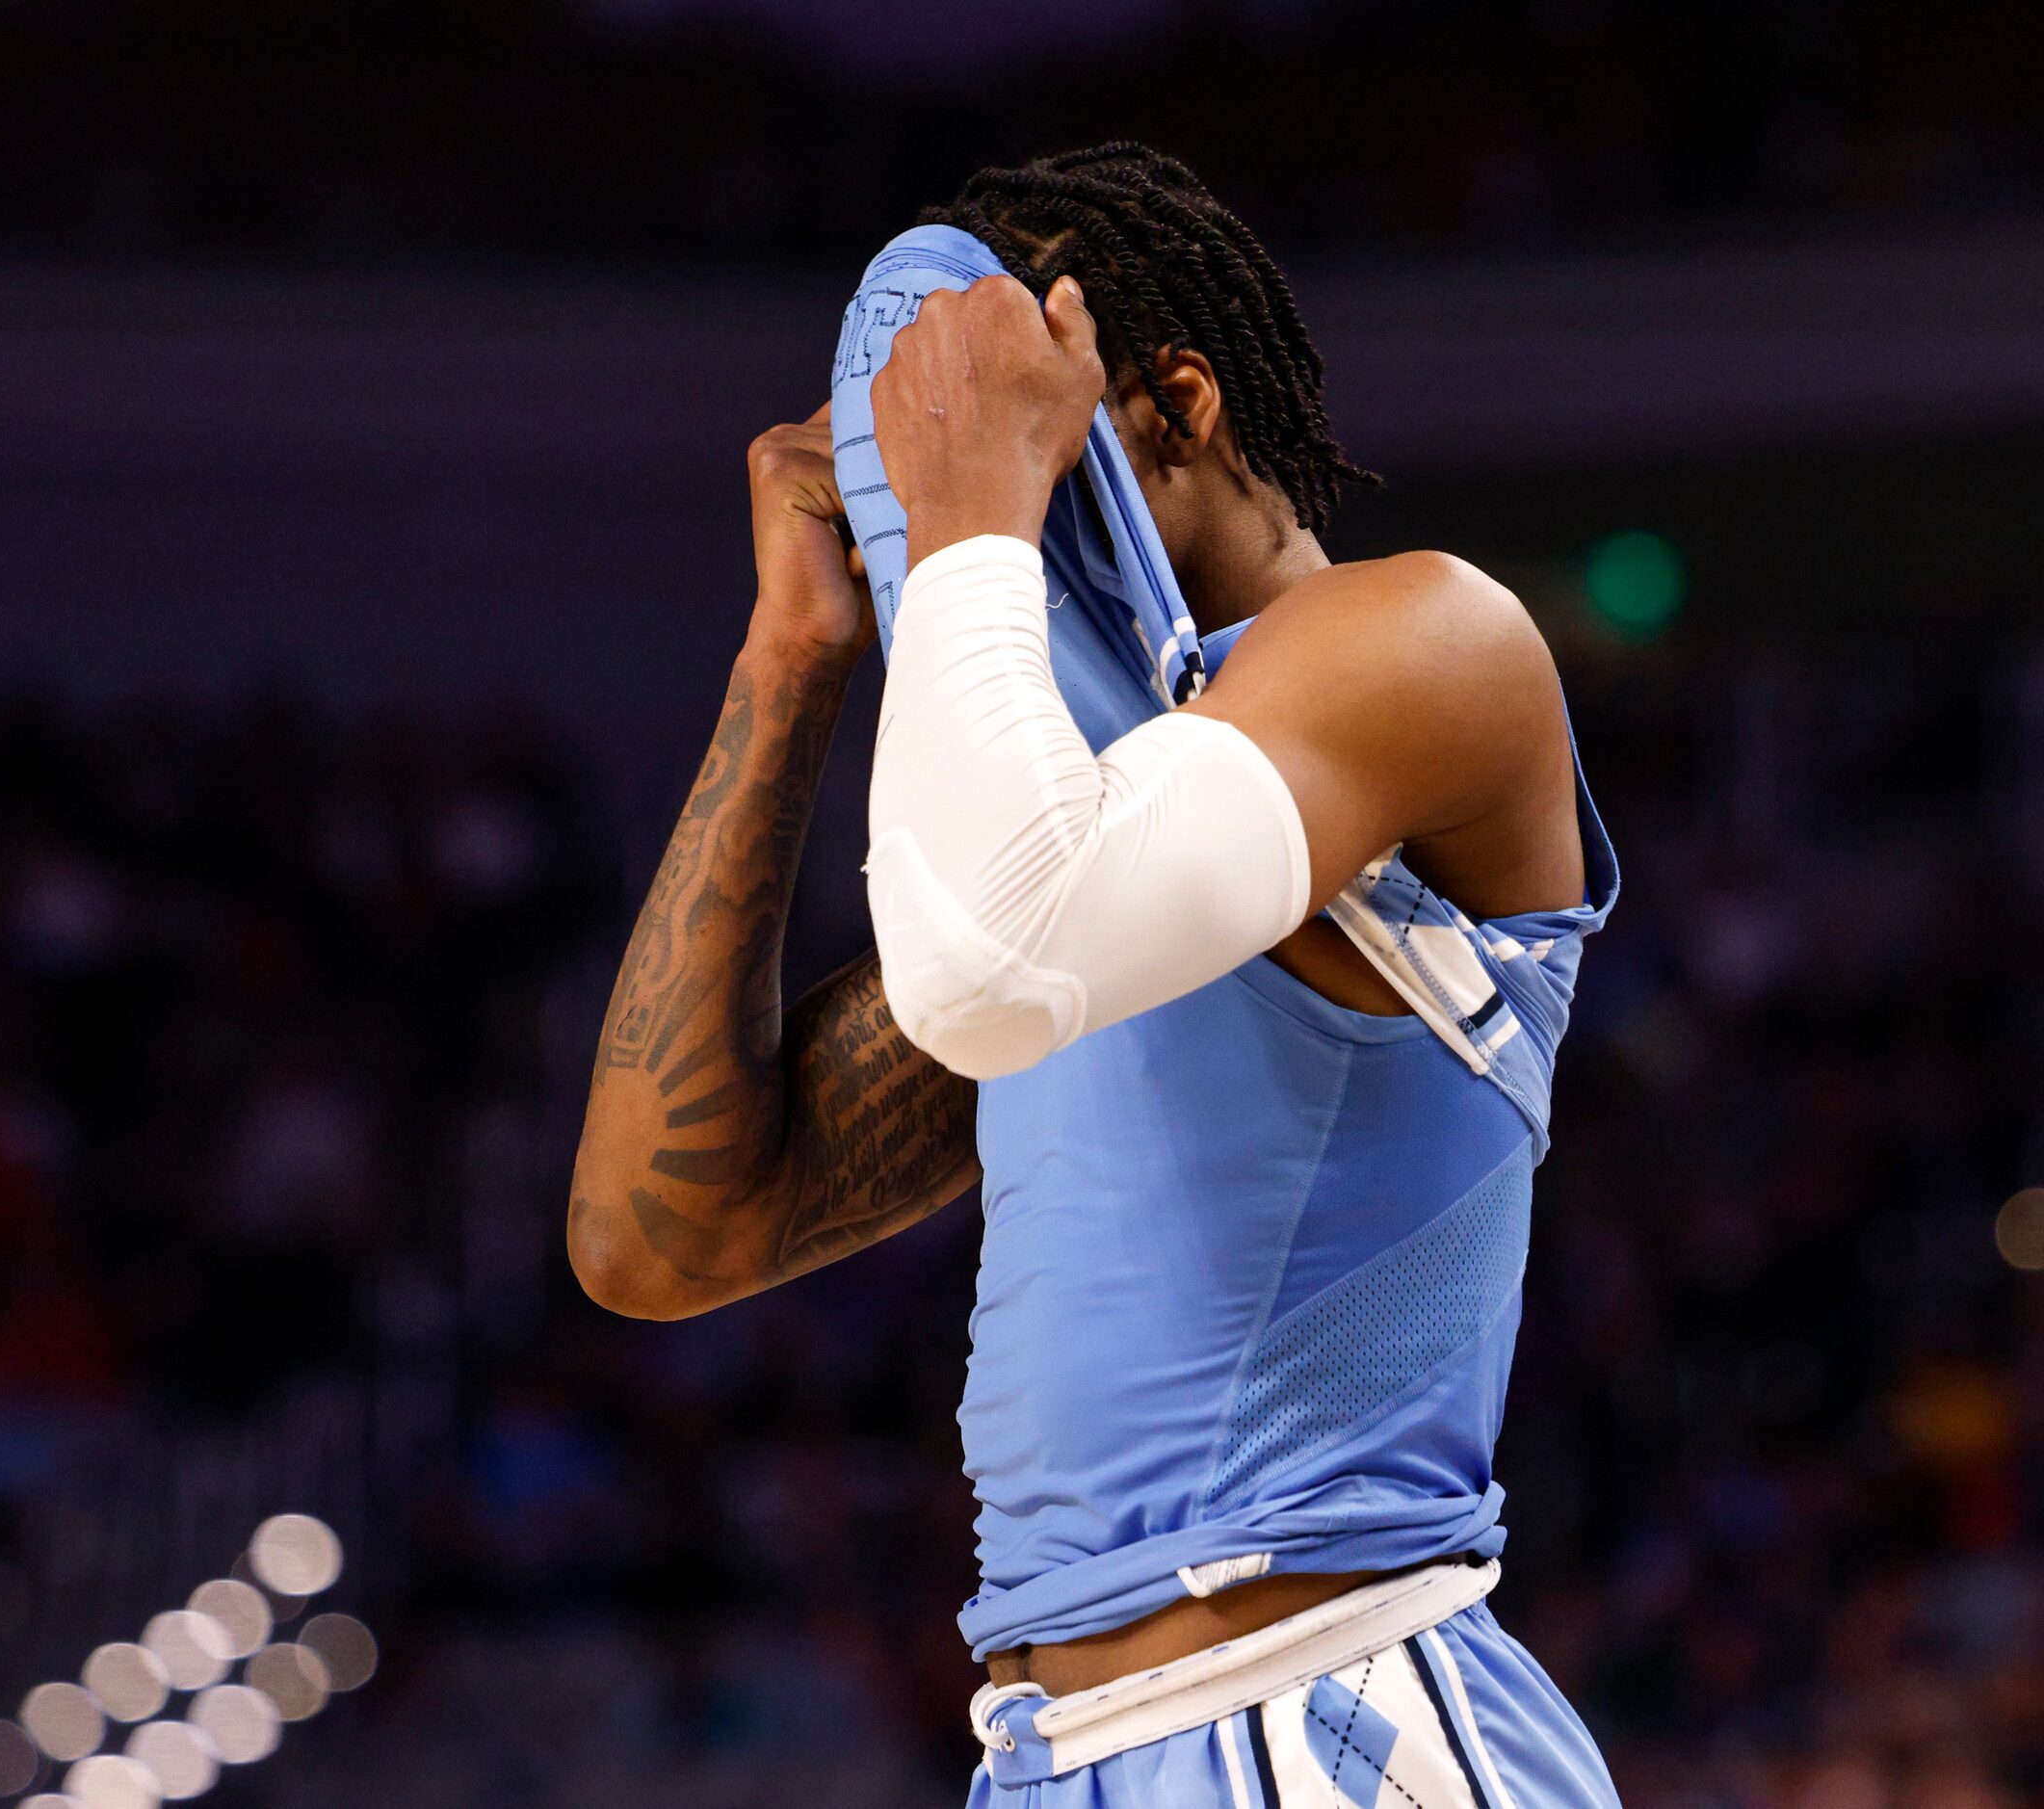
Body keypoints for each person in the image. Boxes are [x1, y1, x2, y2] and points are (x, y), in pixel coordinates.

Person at [568, 144, 1620, 1808]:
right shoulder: (1080, 888)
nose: (947, 509)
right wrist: (788, 662)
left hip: (1331, 1713)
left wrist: (975, 511)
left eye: (997, 435)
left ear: (1175, 408)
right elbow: (655, 1237)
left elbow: (995, 961)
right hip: (1054, 1753)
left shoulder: (1429, 640)